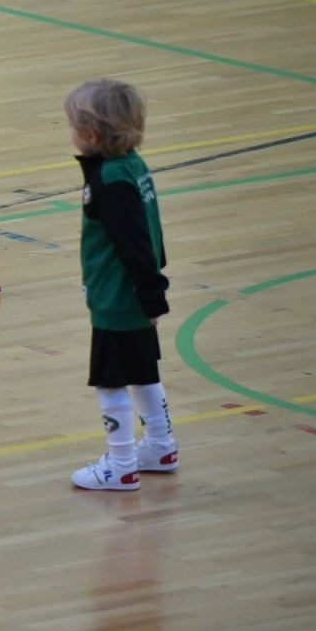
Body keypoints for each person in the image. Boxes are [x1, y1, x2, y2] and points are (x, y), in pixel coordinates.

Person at [65, 78, 178, 491]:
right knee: (143, 372)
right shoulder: (132, 166)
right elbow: (153, 233)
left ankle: (121, 464)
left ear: (91, 135)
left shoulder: (109, 182)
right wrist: (152, 295)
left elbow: (133, 242)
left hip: (118, 299)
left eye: (73, 127)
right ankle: (161, 447)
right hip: (134, 296)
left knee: (110, 380)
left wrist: (149, 293)